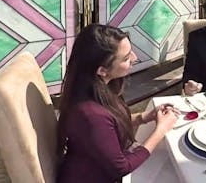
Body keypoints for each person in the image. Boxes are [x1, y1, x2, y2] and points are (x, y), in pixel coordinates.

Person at [57, 24, 179, 183]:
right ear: (102, 70)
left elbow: (109, 127)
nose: (134, 58)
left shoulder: (101, 88)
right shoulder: (90, 114)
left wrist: (144, 117)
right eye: (126, 58)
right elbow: (121, 167)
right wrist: (160, 130)